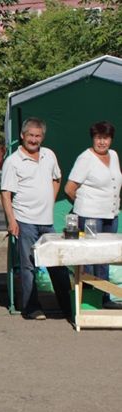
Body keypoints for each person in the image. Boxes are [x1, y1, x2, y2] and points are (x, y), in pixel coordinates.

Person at [0, 117, 72, 320]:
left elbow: (57, 178)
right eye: (30, 135)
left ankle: (69, 307)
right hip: (25, 220)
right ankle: (32, 308)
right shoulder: (13, 162)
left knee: (57, 264)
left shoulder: (49, 155)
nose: (33, 139)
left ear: (42, 137)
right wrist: (12, 221)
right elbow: (6, 194)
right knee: (29, 266)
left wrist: (50, 198)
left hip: (46, 221)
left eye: (37, 136)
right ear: (22, 136)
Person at [64, 120, 121, 309]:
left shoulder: (113, 155)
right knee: (89, 257)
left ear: (111, 139)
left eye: (106, 138)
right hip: (90, 216)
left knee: (104, 258)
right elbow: (69, 189)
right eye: (98, 138)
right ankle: (87, 299)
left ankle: (104, 298)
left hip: (111, 215)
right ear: (93, 138)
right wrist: (83, 205)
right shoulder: (85, 158)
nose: (102, 142)